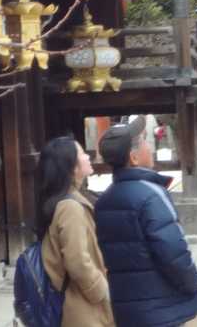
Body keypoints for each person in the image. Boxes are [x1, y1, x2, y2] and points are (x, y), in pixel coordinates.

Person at [94, 116, 197, 326]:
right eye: (145, 142)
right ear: (134, 157)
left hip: (125, 307)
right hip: (161, 307)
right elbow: (173, 252)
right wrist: (192, 284)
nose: (149, 147)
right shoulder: (151, 195)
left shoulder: (104, 201)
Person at [34, 135, 114, 327]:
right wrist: (101, 290)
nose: (88, 156)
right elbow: (77, 260)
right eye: (82, 153)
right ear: (71, 167)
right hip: (82, 308)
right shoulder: (70, 207)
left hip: (81, 303)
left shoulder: (70, 201)